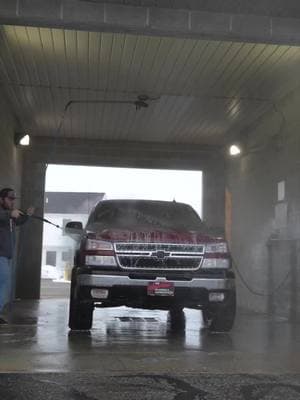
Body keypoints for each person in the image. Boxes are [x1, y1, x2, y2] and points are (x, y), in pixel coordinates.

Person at [0, 188, 34, 324]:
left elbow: (18, 221)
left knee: (5, 283)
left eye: (14, 199)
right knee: (5, 282)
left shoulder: (9, 216)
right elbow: (4, 215)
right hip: (0, 255)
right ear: (1, 199)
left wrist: (28, 216)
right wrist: (10, 214)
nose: (12, 202)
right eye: (10, 198)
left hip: (6, 256)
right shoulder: (4, 214)